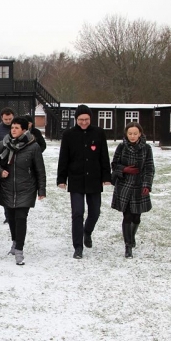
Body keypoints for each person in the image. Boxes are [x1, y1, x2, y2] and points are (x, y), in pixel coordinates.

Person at [57, 104, 111, 259]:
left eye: (86, 119)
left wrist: (106, 177)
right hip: (76, 179)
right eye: (81, 120)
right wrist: (61, 179)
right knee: (77, 213)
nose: (84, 122)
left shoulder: (99, 133)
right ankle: (78, 246)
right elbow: (64, 158)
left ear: (91, 119)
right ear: (76, 119)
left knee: (95, 212)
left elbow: (104, 156)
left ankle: (87, 231)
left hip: (94, 179)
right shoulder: (69, 135)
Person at [0, 117, 47, 265]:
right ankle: (15, 242)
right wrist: (1, 171)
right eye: (12, 127)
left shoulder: (33, 147)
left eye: (16, 128)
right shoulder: (4, 143)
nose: (13, 130)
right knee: (11, 217)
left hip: (26, 188)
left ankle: (19, 250)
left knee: (21, 218)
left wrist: (42, 190)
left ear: (24, 130)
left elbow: (40, 170)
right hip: (7, 187)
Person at [110, 122, 155, 258]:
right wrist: (124, 169)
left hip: (139, 186)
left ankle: (132, 236)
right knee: (127, 216)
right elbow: (114, 164)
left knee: (137, 217)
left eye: (135, 133)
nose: (132, 136)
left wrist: (147, 185)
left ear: (140, 134)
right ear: (126, 134)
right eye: (130, 134)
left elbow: (149, 168)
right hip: (124, 186)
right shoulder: (121, 147)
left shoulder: (146, 148)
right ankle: (128, 246)